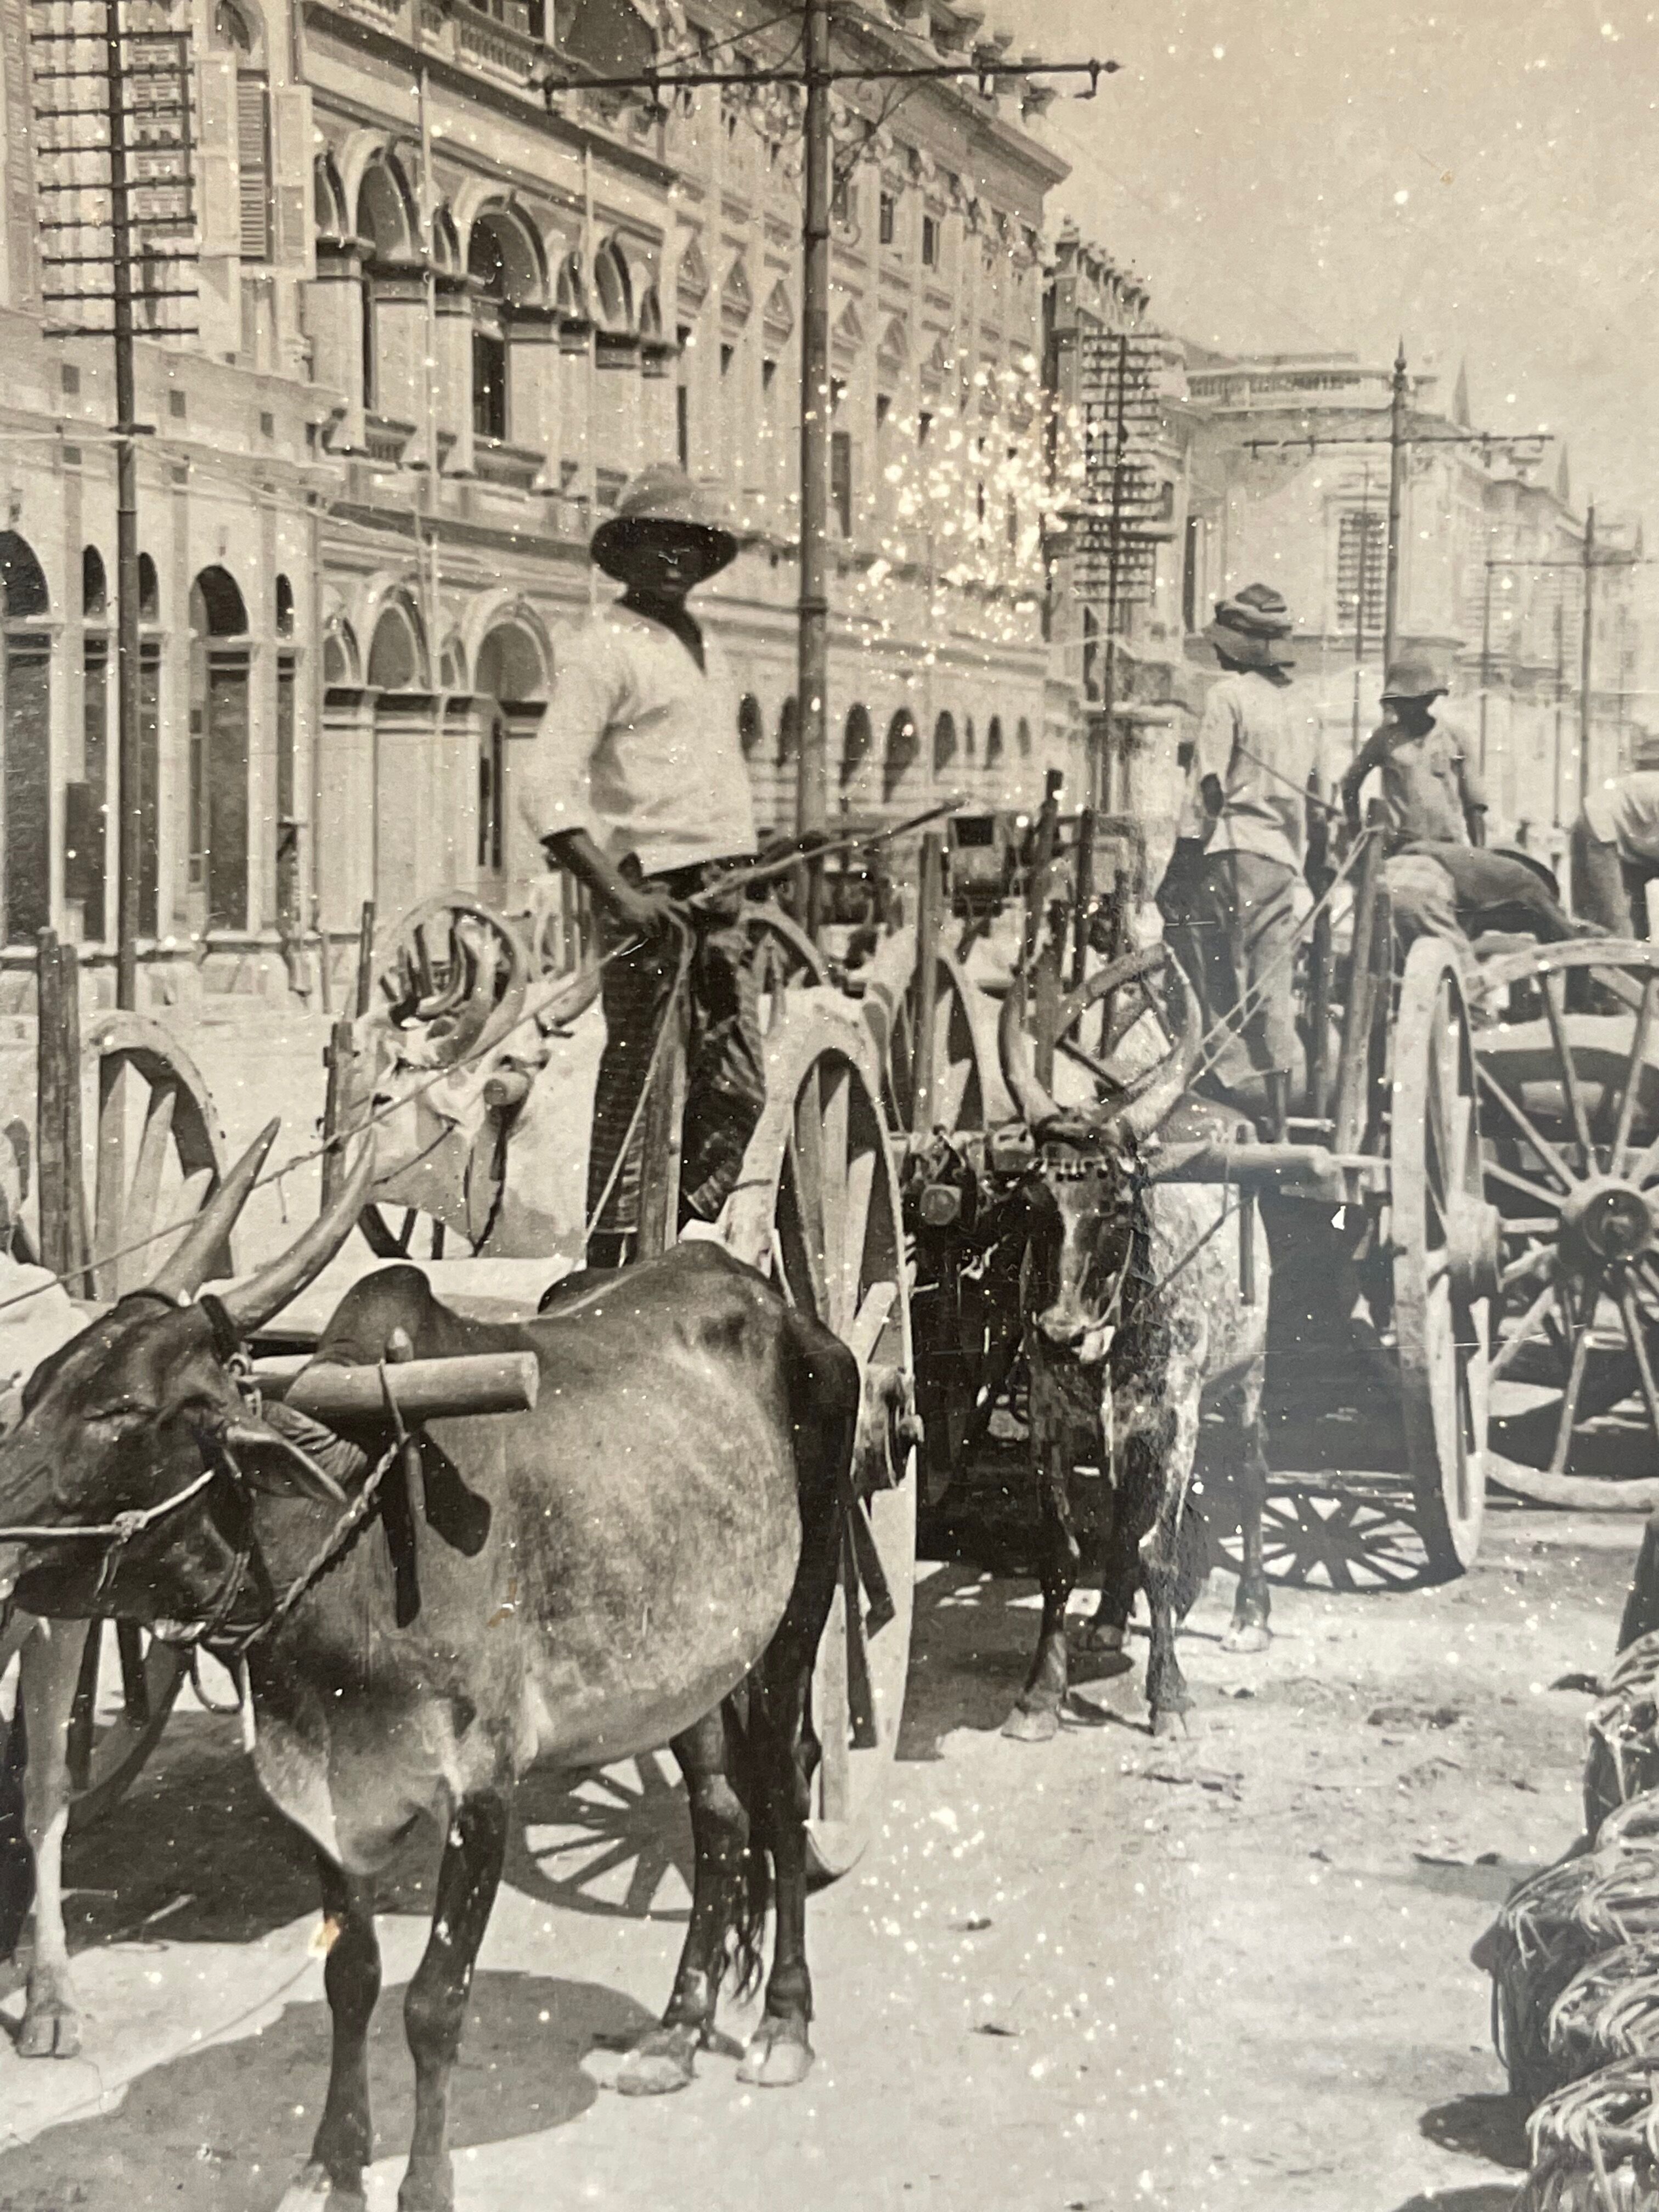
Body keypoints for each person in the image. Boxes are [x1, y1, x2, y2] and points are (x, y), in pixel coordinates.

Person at [522, 465, 763, 1269]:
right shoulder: (603, 650)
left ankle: (675, 1237)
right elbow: (544, 786)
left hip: (722, 888)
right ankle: (614, 1258)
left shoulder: (706, 646)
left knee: (739, 1085)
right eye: (656, 541)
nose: (673, 558)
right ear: (624, 554)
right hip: (653, 890)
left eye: (690, 544)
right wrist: (619, 894)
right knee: (637, 1082)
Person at [1169, 582, 1324, 1127]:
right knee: (1270, 984)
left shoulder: (1228, 697)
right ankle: (1281, 1110)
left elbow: (1208, 790)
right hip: (1283, 858)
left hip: (1233, 850)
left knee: (1195, 963)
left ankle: (1219, 1083)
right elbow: (1316, 798)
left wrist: (1180, 868)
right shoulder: (1305, 707)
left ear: (1241, 647)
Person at [1340, 654, 1487, 851]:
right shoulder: (1384, 740)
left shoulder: (1455, 738)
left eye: (1408, 702)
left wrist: (1480, 853)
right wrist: (1356, 833)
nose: (1400, 709)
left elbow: (1474, 804)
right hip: (1402, 847)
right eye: (1397, 702)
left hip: (1449, 845)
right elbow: (1350, 784)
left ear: (1426, 701)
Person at [1570, 770, 1659, 938]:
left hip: (1635, 840)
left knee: (1639, 933)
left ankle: (1633, 961)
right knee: (1615, 921)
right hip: (1600, 829)